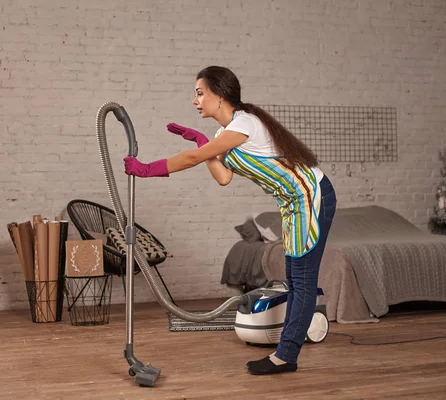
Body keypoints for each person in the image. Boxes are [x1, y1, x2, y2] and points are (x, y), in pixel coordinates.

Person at [123, 65, 337, 375]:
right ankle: (286, 353)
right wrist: (203, 143)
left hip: (311, 195)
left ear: (220, 95)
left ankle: (285, 356)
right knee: (295, 279)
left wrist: (146, 169)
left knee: (302, 281)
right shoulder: (224, 134)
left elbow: (195, 159)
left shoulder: (245, 123)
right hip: (292, 203)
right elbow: (223, 177)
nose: (194, 100)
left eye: (199, 93)